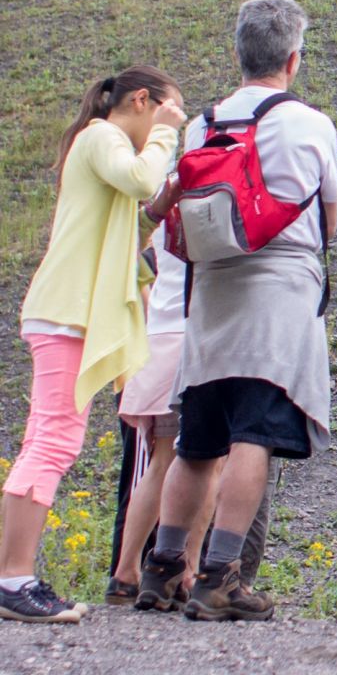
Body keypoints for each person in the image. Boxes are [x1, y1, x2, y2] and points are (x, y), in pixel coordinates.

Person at [137, 0, 337, 622]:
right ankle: (222, 576)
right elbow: (327, 214)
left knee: (199, 436)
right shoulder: (309, 123)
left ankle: (163, 567)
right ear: (293, 59)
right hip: (276, 291)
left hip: (211, 291)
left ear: (238, 54)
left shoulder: (203, 123)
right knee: (255, 429)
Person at [0, 67, 185, 623]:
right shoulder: (103, 136)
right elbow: (139, 180)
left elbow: (125, 237)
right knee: (52, 442)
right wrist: (166, 136)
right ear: (141, 100)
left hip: (67, 313)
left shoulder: (100, 146)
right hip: (65, 315)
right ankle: (14, 578)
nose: (170, 121)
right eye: (166, 110)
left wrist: (158, 208)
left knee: (47, 438)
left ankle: (15, 574)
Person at [107, 221, 209, 604]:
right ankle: (189, 571)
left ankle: (126, 572)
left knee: (162, 463)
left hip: (160, 335)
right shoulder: (223, 186)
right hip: (197, 335)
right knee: (207, 461)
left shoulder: (169, 196)